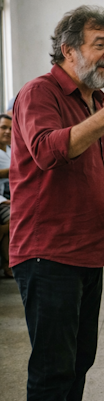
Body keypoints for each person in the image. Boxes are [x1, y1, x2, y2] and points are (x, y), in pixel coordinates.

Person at [10, 5, 104, 401]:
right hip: (49, 251)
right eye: (99, 45)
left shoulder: (94, 103)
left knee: (79, 362)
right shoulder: (40, 92)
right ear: (68, 50)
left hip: (89, 250)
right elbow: (48, 152)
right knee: (53, 369)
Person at [0, 114, 11, 278]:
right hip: (2, 199)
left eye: (10, 128)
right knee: (16, 216)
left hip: (9, 196)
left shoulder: (10, 149)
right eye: (3, 127)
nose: (8, 132)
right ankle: (8, 264)